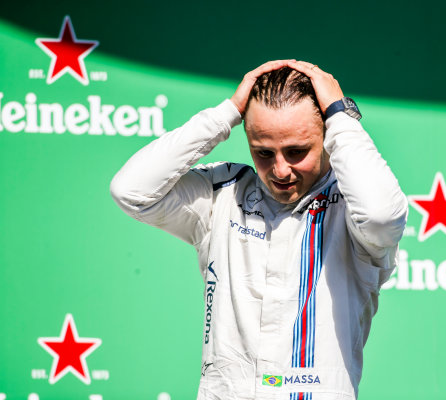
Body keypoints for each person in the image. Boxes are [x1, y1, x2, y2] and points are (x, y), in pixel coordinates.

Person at [110, 59, 408, 400]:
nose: (280, 169)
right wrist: (226, 114)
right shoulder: (222, 192)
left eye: (297, 152)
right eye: (263, 152)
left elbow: (382, 216)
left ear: (327, 138)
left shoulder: (353, 211)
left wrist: (340, 115)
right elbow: (130, 191)